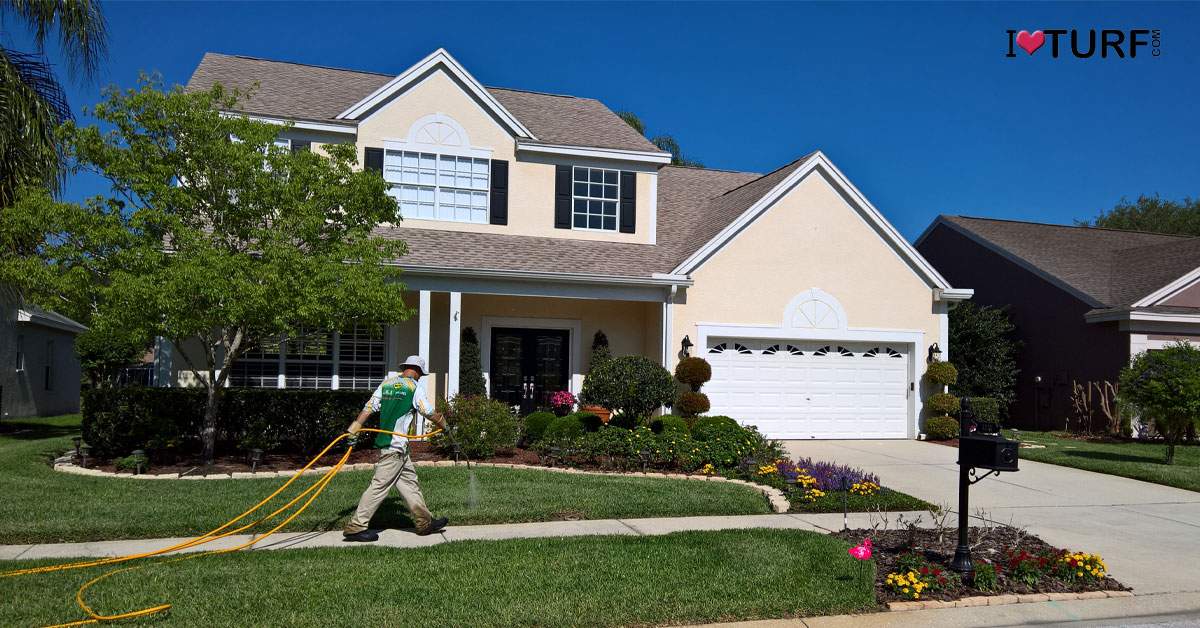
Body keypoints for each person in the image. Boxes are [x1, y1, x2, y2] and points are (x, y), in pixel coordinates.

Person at [343, 355, 449, 542]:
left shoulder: (387, 384)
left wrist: (354, 428)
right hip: (394, 447)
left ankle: (424, 522)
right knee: (379, 486)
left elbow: (369, 407)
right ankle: (356, 526)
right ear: (417, 371)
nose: (420, 377)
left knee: (410, 484)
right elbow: (427, 410)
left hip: (397, 448)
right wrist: (444, 424)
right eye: (421, 374)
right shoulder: (414, 387)